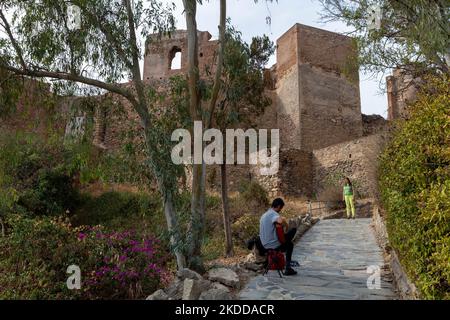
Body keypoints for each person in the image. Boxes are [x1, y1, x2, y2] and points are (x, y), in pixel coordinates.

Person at [259, 198, 298, 276]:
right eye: (281, 208)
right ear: (279, 206)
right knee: (293, 232)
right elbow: (280, 220)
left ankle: (288, 267)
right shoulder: (273, 213)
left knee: (289, 243)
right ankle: (288, 268)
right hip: (273, 245)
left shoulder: (264, 215)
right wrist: (286, 225)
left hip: (264, 245)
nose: (280, 210)